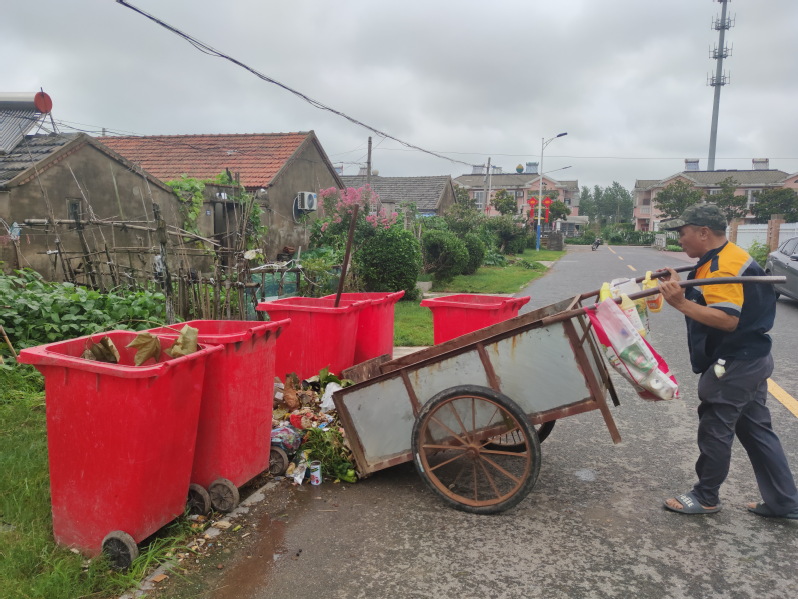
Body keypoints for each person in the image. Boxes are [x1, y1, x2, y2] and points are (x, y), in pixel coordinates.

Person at [657, 203, 798, 519]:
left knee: (715, 428)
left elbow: (726, 319)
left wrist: (679, 303)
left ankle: (706, 496)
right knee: (757, 431)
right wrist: (682, 288)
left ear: (703, 232)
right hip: (752, 358)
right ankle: (785, 502)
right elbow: (710, 297)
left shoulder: (723, 266)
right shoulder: (721, 258)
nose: (680, 239)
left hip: (735, 364)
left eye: (683, 232)